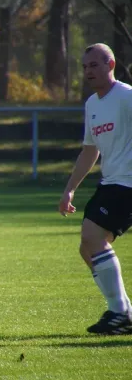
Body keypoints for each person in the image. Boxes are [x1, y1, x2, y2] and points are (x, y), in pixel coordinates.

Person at [59, 43, 132, 335]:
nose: (89, 71)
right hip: (111, 182)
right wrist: (69, 189)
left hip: (128, 183)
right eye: (85, 66)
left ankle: (120, 312)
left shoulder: (126, 97)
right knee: (87, 248)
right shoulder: (92, 104)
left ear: (111, 65)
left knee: (91, 235)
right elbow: (89, 152)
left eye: (95, 65)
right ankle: (123, 311)